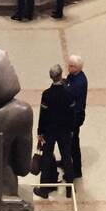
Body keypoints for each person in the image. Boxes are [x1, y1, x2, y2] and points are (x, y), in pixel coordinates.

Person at [34, 65, 75, 199]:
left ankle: (44, 190)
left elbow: (43, 115)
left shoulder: (47, 94)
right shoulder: (69, 93)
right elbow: (72, 114)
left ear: (51, 77)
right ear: (61, 74)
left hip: (49, 131)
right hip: (64, 131)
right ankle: (70, 189)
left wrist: (40, 132)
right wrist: (71, 129)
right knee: (67, 157)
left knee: (46, 159)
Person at [65, 54, 88, 179]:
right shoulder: (73, 76)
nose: (69, 68)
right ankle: (68, 162)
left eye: (71, 66)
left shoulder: (79, 82)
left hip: (75, 117)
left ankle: (76, 170)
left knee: (74, 143)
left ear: (78, 68)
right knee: (70, 142)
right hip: (72, 115)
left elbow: (69, 95)